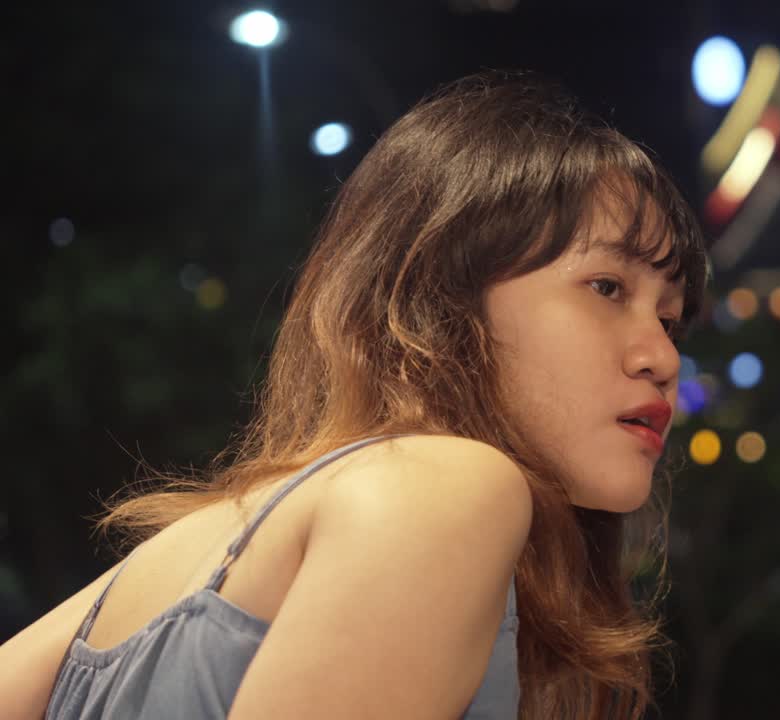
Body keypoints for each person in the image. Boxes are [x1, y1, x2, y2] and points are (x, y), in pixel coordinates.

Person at [0, 70, 709, 719]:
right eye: (607, 288)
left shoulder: (182, 548)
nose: (662, 356)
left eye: (671, 320)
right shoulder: (447, 488)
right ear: (437, 294)